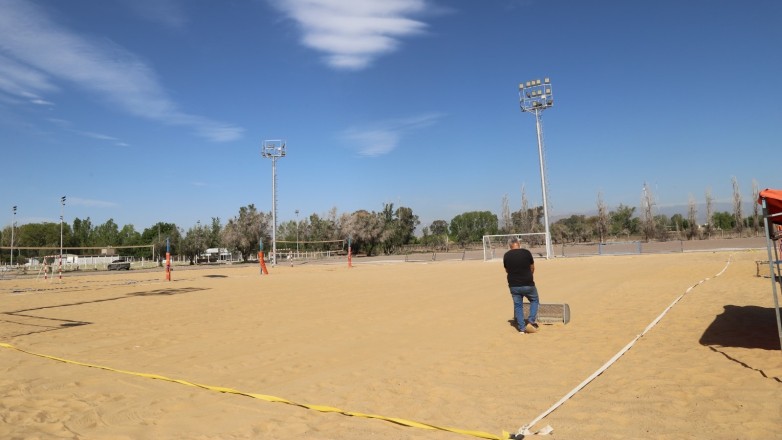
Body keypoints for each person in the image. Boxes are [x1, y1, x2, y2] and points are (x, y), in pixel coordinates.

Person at [503, 237, 539, 334]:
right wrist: (529, 276)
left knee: (518, 306)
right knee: (534, 300)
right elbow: (532, 267)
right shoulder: (526, 253)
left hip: (513, 285)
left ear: (510, 245)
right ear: (518, 244)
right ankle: (531, 321)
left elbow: (507, 270)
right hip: (528, 283)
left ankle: (522, 329)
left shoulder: (506, 255)